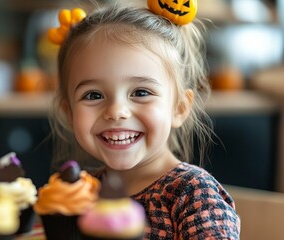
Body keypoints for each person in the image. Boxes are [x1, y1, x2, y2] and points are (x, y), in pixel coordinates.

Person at [47, 1, 240, 239]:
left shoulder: (192, 194)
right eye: (93, 95)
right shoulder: (77, 193)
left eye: (140, 92)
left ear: (179, 108)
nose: (116, 111)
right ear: (69, 112)